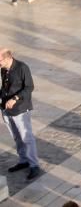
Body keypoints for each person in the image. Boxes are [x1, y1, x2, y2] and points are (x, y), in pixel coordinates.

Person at [0, 49, 40, 180]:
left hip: (21, 110)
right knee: (17, 137)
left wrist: (15, 99)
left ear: (8, 58)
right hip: (6, 109)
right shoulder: (4, 69)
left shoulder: (22, 68)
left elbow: (29, 87)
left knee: (26, 138)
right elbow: (5, 88)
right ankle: (23, 160)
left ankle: (34, 165)